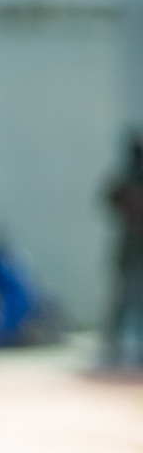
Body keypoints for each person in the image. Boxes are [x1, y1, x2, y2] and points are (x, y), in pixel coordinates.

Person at [103, 132, 143, 368]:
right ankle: (113, 348)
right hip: (130, 256)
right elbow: (109, 200)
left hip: (133, 255)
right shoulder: (126, 182)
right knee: (124, 302)